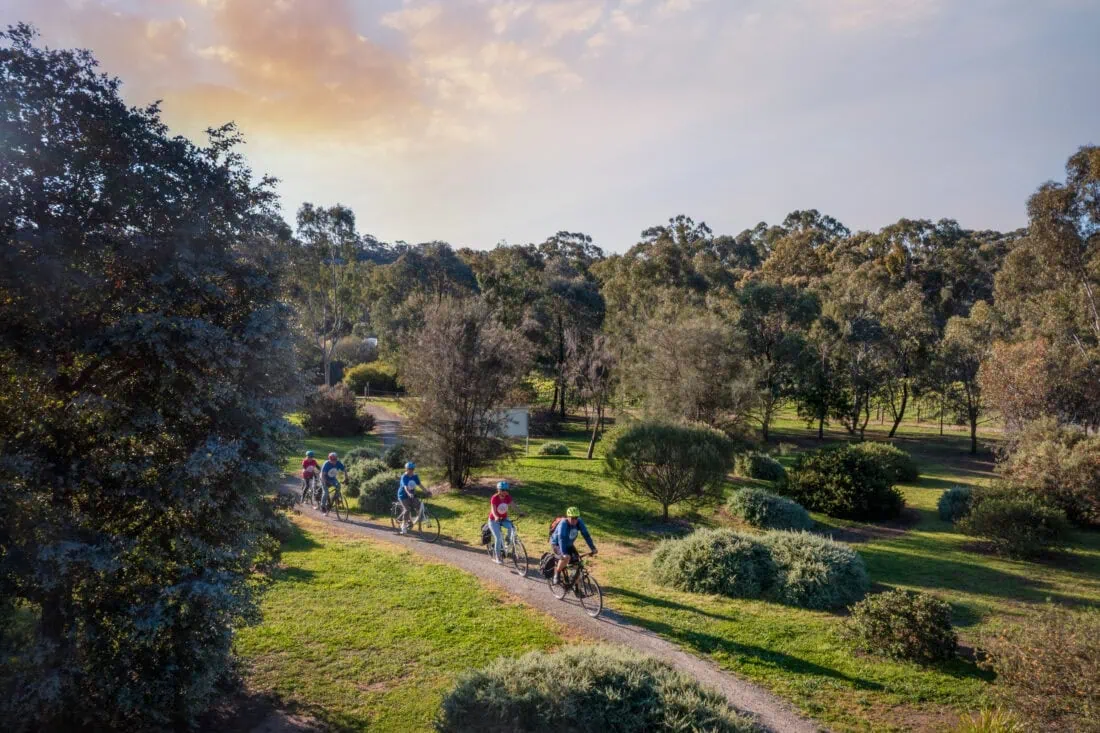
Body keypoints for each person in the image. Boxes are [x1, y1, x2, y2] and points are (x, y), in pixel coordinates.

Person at [550, 506, 596, 585]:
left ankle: (576, 588)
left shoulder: (579, 522)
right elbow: (561, 539)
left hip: (569, 544)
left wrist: (593, 548)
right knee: (567, 557)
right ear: (568, 517)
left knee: (577, 565)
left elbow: (586, 535)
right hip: (557, 544)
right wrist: (564, 553)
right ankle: (557, 574)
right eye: (572, 518)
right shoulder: (563, 523)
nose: (574, 520)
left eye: (576, 518)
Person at [488, 481, 516, 565]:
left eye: (507, 490)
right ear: (499, 490)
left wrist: (521, 512)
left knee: (512, 527)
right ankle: (497, 557)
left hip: (503, 519)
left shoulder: (507, 497)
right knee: (498, 538)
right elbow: (493, 509)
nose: (506, 491)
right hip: (493, 520)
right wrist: (496, 516)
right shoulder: (494, 498)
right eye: (503, 490)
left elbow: (513, 505)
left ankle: (507, 541)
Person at [397, 461, 423, 534]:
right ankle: (403, 527)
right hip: (403, 495)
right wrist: (408, 493)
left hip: (412, 494)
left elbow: (420, 485)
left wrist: (426, 491)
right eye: (409, 469)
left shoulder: (415, 476)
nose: (411, 470)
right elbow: (405, 487)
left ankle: (419, 528)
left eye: (412, 469)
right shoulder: (404, 476)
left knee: (419, 508)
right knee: (407, 509)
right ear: (406, 469)